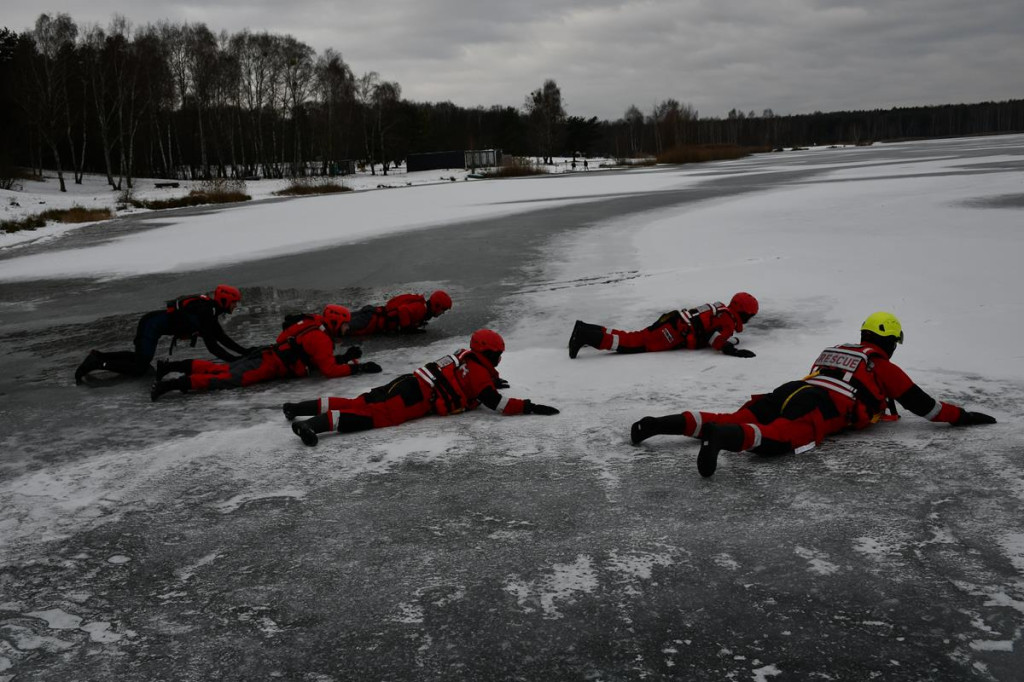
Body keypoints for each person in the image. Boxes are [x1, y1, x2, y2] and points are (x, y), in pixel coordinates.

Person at [630, 312, 998, 477]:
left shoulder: (836, 349)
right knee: (779, 439)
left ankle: (658, 424)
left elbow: (821, 375)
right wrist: (963, 416)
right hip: (822, 405)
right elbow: (924, 406)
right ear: (889, 340)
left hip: (792, 389)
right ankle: (722, 440)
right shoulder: (881, 365)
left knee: (735, 416)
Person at [283, 329, 559, 446]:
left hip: (408, 382)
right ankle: (312, 426)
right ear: (487, 354)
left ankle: (297, 409)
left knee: (359, 401)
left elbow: (469, 379)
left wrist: (491, 379)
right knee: (368, 416)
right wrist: (529, 407)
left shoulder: (468, 358)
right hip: (413, 399)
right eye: (496, 355)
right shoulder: (477, 373)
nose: (498, 359)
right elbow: (494, 402)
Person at [150, 305, 382, 401]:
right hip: (267, 366)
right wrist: (356, 367)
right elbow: (329, 370)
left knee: (221, 369)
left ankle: (169, 368)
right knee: (225, 379)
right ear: (334, 322)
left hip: (267, 354)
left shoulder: (312, 322)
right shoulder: (321, 339)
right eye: (344, 325)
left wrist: (345, 357)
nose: (347, 329)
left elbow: (288, 340)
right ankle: (170, 385)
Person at [75, 285, 250, 384]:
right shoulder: (206, 312)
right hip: (151, 325)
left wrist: (245, 352)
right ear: (225, 300)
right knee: (140, 367)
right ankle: (97, 362)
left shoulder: (210, 311)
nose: (236, 306)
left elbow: (221, 338)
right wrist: (235, 361)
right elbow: (213, 346)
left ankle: (98, 355)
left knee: (140, 359)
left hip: (151, 323)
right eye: (234, 302)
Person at [568, 292, 759, 359]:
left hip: (673, 322)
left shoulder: (722, 309)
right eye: (750, 316)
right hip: (673, 333)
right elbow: (715, 339)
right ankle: (585, 336)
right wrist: (731, 350)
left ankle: (584, 328)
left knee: (633, 336)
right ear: (743, 313)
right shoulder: (727, 321)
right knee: (630, 343)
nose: (750, 319)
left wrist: (730, 339)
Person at [346, 290, 453, 336]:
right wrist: (407, 328)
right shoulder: (421, 308)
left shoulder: (422, 306)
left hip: (372, 314)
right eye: (443, 310)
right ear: (437, 306)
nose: (442, 313)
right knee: (338, 327)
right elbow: (403, 310)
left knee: (341, 320)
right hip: (370, 321)